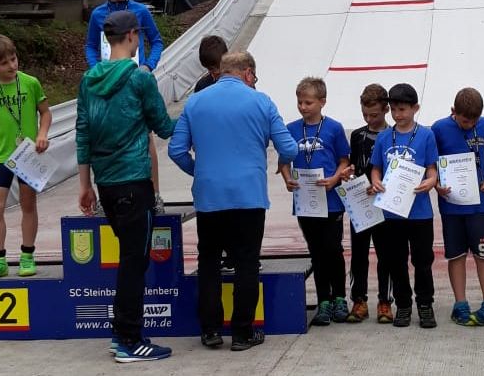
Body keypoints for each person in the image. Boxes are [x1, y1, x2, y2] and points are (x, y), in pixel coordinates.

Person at [168, 51, 297, 351]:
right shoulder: (262, 102)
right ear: (248, 73)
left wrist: (199, 171)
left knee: (209, 261)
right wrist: (279, 163)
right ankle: (242, 333)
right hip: (248, 195)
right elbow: (289, 148)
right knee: (246, 262)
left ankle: (210, 330)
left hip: (209, 196)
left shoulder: (196, 102)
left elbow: (176, 150)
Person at [76, 11, 176, 363]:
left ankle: (123, 335)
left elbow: (83, 134)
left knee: (128, 259)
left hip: (105, 184)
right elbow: (163, 127)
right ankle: (129, 340)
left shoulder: (88, 80)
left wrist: (85, 185)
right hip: (134, 180)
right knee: (134, 263)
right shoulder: (139, 78)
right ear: (133, 36)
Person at [84, 0, 166, 213]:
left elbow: (157, 40)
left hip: (135, 80)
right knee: (104, 135)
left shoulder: (140, 11)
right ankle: (104, 195)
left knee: (146, 136)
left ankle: (154, 194)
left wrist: (148, 65)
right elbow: (90, 46)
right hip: (107, 82)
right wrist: (96, 68)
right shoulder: (98, 15)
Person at [0, 34, 51, 280]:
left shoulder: (30, 83)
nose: (12, 65)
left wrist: (42, 134)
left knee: (28, 204)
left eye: (14, 59)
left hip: (27, 154)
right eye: (4, 63)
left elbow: (45, 113)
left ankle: (27, 255)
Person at [279, 77, 351, 325]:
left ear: (322, 102)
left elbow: (344, 160)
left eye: (308, 102)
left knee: (333, 249)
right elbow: (284, 161)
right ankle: (324, 301)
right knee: (317, 252)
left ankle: (339, 297)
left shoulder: (334, 128)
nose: (303, 107)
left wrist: (335, 179)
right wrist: (288, 179)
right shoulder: (291, 129)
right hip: (305, 201)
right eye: (300, 102)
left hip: (330, 199)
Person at [370, 83, 439, 329]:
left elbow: (432, 169)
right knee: (396, 261)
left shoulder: (426, 135)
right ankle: (403, 305)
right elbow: (376, 168)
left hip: (420, 212)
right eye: (393, 110)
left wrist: (431, 181)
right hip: (392, 212)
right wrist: (376, 181)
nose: (397, 115)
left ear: (415, 108)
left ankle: (425, 304)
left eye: (402, 109)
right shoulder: (383, 137)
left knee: (423, 261)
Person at [432, 88, 484, 326]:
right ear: (453, 111)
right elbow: (431, 162)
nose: (469, 125)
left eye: (474, 121)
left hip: (480, 204)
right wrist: (436, 184)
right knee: (456, 255)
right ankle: (460, 303)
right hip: (452, 205)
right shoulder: (439, 129)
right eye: (464, 121)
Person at [344, 84, 393, 324]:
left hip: (384, 204)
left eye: (374, 115)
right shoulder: (357, 136)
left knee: (386, 254)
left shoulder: (393, 135)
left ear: (386, 110)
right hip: (360, 203)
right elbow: (354, 165)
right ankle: (358, 300)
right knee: (359, 254)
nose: (369, 119)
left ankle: (385, 301)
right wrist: (350, 175)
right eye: (365, 115)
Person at [191, 34, 233, 273]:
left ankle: (237, 256)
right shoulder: (202, 86)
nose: (215, 74)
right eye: (210, 70)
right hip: (210, 161)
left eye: (217, 68)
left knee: (235, 212)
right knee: (213, 212)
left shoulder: (242, 83)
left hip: (234, 158)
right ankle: (214, 257)